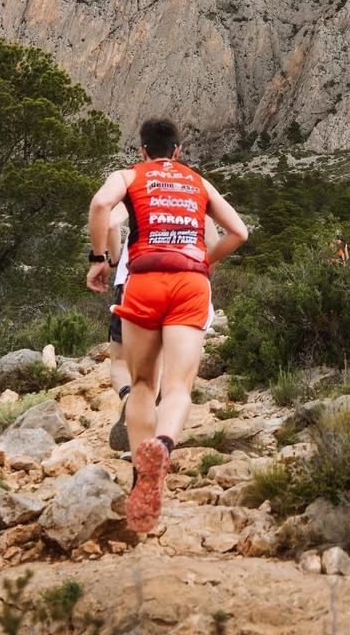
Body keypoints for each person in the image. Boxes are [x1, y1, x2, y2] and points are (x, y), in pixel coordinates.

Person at [86, 118, 248, 533]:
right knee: (178, 386)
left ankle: (142, 474)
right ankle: (164, 445)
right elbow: (239, 232)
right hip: (189, 283)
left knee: (143, 384)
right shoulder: (198, 182)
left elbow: (102, 206)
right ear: (177, 151)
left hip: (143, 280)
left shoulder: (128, 175)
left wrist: (98, 260)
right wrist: (202, 263)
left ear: (142, 150)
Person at [105, 207, 220, 453]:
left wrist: (114, 260)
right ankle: (161, 442)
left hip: (136, 282)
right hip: (188, 283)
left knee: (125, 366)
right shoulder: (194, 193)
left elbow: (112, 224)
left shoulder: (139, 186)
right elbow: (215, 241)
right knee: (175, 381)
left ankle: (129, 401)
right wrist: (202, 269)